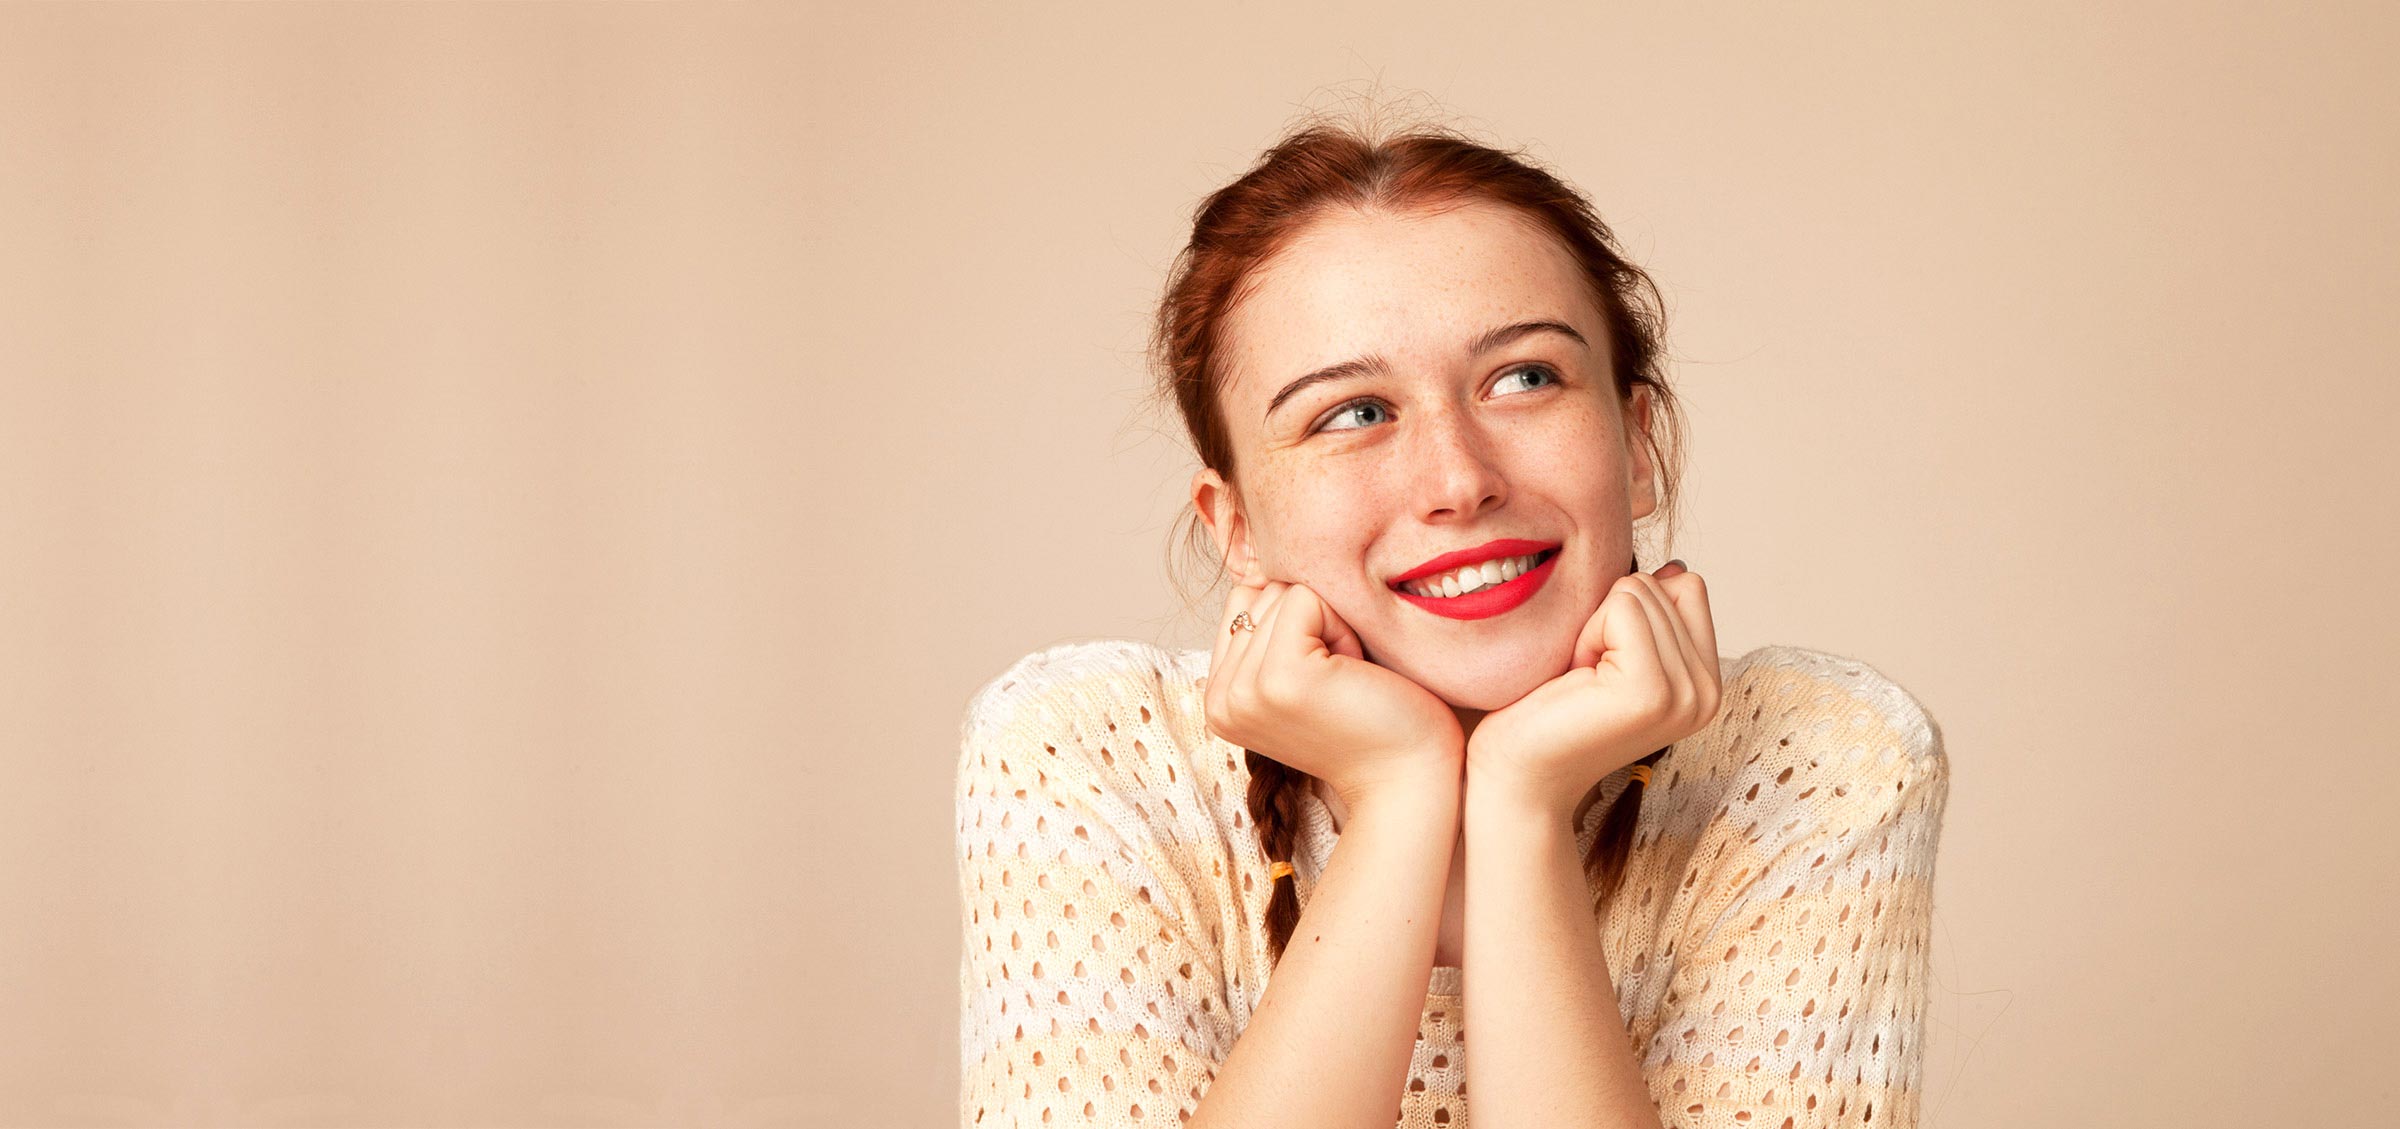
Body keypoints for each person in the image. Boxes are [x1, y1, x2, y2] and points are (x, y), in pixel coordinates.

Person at [954, 114, 1950, 1129]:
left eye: (1525, 378)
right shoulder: (1087, 752)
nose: (1459, 480)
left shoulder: (1813, 757)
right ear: (1237, 526)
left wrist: (1520, 807)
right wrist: (1401, 791)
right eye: (1353, 412)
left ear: (1637, 442)